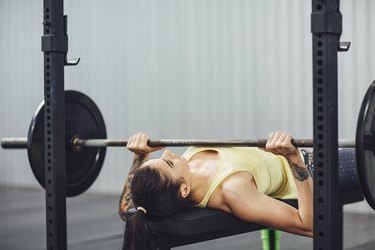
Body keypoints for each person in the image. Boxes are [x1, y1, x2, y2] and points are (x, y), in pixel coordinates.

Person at [119, 131, 313, 250]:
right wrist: (294, 158)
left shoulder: (184, 171)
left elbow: (128, 209)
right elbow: (311, 226)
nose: (168, 152)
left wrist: (140, 156)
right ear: (184, 189)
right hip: (314, 169)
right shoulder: (233, 192)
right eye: (169, 163)